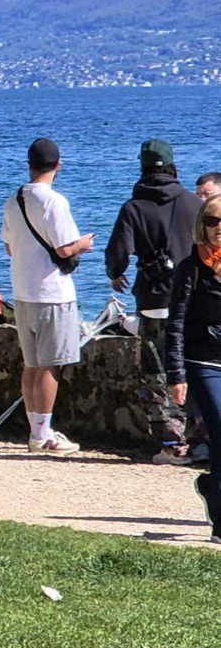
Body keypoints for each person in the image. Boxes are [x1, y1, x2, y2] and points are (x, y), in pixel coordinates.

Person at [108, 138, 200, 463]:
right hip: (193, 300)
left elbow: (119, 252)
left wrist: (115, 273)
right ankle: (200, 440)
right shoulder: (193, 203)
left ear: (142, 168)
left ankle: (172, 444)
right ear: (173, 167)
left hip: (154, 299)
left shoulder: (133, 208)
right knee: (195, 367)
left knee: (156, 373)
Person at [0, 136, 93, 454]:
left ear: (29, 165)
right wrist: (84, 244)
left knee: (32, 365)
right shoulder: (55, 201)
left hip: (22, 291)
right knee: (51, 366)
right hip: (52, 293)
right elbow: (65, 248)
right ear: (58, 165)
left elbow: (9, 247)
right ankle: (43, 435)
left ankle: (35, 430)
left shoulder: (14, 199)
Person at [162, 197, 221, 540]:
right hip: (203, 362)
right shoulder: (191, 268)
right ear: (202, 225)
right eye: (212, 221)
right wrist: (176, 374)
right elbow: (175, 324)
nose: (219, 229)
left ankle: (212, 486)